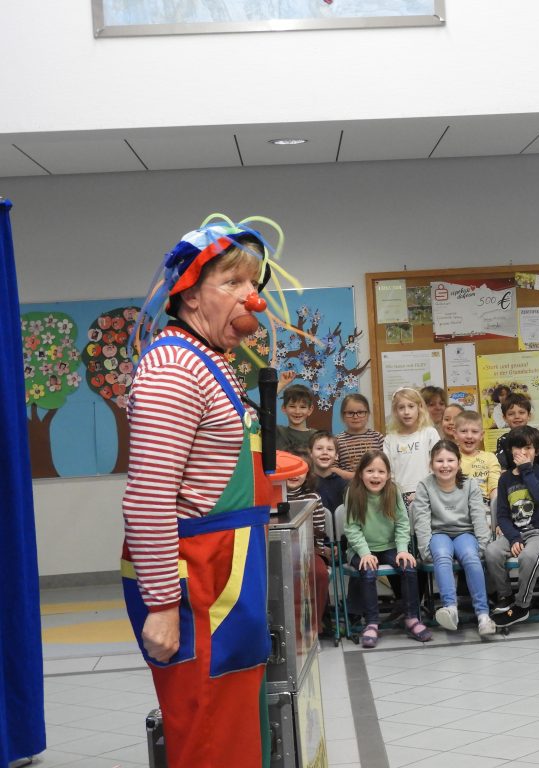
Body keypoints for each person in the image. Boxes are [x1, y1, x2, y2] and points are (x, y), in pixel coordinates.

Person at [122, 216, 286, 767]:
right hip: (197, 583)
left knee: (234, 727)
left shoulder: (209, 359)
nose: (252, 297)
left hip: (227, 579)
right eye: (233, 282)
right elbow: (148, 497)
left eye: (254, 283)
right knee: (208, 738)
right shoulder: (173, 367)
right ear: (190, 294)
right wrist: (162, 605)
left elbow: (206, 470)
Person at [343, 450, 431, 648]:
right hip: (361, 549)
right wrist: (365, 553)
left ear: (388, 474)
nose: (376, 476)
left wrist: (403, 550)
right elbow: (351, 528)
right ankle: (372, 623)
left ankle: (412, 618)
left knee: (409, 566)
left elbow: (402, 523)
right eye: (370, 471)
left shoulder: (393, 491)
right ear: (360, 473)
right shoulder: (353, 493)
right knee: (368, 570)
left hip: (390, 547)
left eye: (381, 471)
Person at [410, 441, 495, 636]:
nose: (445, 465)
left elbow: (478, 516)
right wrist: (425, 550)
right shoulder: (425, 485)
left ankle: (483, 615)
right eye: (439, 461)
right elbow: (421, 521)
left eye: (450, 460)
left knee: (471, 556)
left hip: (465, 533)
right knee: (441, 554)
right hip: (438, 533)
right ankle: (450, 609)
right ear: (431, 464)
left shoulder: (470, 484)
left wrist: (483, 546)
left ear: (458, 462)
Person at [486, 426, 539, 628]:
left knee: (528, 557)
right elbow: (502, 515)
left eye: (528, 448)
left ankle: (522, 605)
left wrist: (526, 470)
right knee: (492, 551)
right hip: (515, 533)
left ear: (536, 451)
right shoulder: (505, 479)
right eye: (518, 447)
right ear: (510, 450)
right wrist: (514, 538)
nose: (522, 452)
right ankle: (505, 597)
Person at [284, 454, 332, 636]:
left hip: (309, 548)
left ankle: (313, 627)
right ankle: (289, 628)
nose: (295, 474)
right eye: (291, 469)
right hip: (279, 549)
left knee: (319, 574)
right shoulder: (273, 494)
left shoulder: (313, 497)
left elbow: (319, 531)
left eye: (300, 470)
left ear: (307, 474)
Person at [384, 387, 440, 509]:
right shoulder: (390, 439)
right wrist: (394, 494)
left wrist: (424, 491)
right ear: (395, 411)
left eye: (411, 406)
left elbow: (437, 465)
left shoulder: (429, 433)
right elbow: (388, 470)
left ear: (419, 407)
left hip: (427, 493)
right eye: (401, 407)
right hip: (398, 496)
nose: (406, 412)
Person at [334, 393, 384, 482]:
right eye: (350, 413)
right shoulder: (337, 441)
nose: (355, 417)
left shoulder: (378, 438)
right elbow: (332, 468)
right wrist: (354, 476)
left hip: (375, 484)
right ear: (343, 416)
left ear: (368, 414)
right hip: (349, 487)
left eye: (360, 412)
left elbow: (386, 465)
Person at [454, 410, 501, 501]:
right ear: (455, 434)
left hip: (483, 503)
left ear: (481, 435)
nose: (469, 436)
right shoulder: (450, 457)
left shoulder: (490, 457)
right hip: (458, 502)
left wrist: (495, 505)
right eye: (464, 431)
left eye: (474, 431)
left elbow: (494, 487)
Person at [495, 392, 539, 469]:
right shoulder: (503, 440)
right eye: (511, 414)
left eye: (521, 412)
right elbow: (501, 467)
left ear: (529, 415)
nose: (517, 416)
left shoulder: (535, 437)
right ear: (504, 418)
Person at [308, 430, 347, 514]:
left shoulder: (343, 485)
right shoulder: (306, 483)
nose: (325, 452)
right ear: (310, 453)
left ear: (336, 455)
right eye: (319, 448)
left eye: (330, 449)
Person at [276, 383, 315, 453]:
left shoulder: (317, 437)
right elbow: (261, 411)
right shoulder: (278, 432)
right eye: (292, 406)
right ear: (284, 408)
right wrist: (281, 384)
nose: (297, 411)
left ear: (310, 410)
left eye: (302, 407)